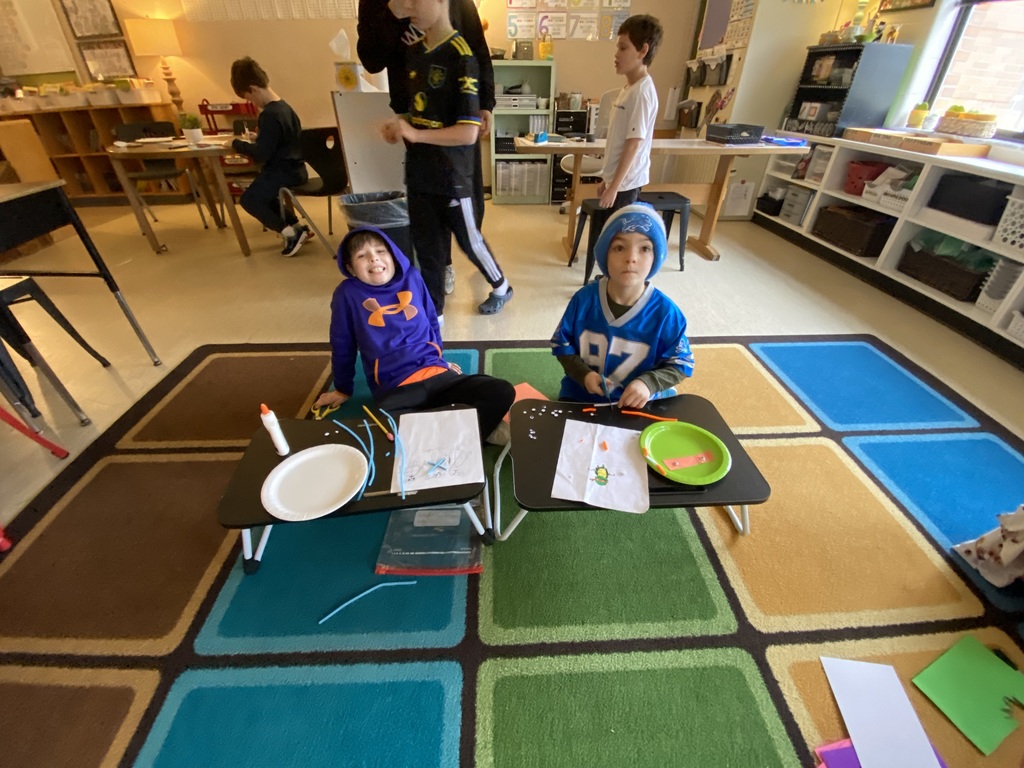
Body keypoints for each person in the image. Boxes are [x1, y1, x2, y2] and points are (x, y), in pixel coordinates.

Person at [312, 226, 515, 442]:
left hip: (436, 375)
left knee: (501, 391)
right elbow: (342, 344)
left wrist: (440, 361)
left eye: (381, 251)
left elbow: (431, 322)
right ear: (350, 268)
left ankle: (458, 435)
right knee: (388, 433)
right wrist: (343, 389)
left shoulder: (412, 277)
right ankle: (463, 428)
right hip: (396, 389)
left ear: (393, 255)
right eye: (362, 255)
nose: (373, 259)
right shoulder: (348, 293)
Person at [380, 0, 513, 320]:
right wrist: (400, 128)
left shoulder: (462, 55)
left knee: (470, 242)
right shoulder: (414, 51)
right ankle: (433, 323)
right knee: (428, 253)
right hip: (419, 174)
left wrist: (415, 134)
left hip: (453, 177)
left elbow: (467, 134)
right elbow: (423, 111)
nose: (407, 5)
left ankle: (501, 285)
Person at [357, 0, 494, 296]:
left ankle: (494, 280)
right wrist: (391, 12)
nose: (411, 7)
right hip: (413, 113)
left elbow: (478, 50)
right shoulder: (375, 5)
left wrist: (486, 103)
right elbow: (371, 59)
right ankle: (436, 276)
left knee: (463, 215)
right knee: (425, 211)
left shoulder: (460, 47)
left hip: (456, 119)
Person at [551, 203, 693, 408]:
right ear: (604, 255)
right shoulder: (582, 300)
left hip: (640, 400)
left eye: (644, 248)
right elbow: (562, 345)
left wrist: (649, 384)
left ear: (656, 257)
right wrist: (584, 375)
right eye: (619, 247)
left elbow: (681, 364)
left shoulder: (667, 314)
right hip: (582, 394)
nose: (631, 258)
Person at [229, 57, 311, 257]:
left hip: (282, 171)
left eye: (249, 98)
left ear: (253, 89)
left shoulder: (269, 114)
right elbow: (281, 139)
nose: (252, 103)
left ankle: (290, 233)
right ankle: (297, 226)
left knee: (249, 199)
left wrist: (235, 144)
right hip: (296, 169)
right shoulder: (284, 108)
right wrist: (260, 137)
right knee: (264, 194)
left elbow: (261, 154)